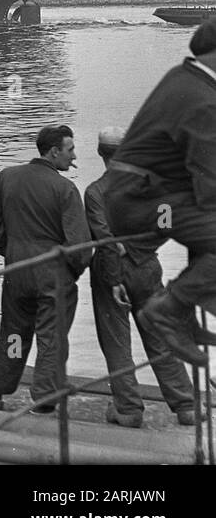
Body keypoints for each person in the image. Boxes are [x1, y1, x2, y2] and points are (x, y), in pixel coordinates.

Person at [103, 19, 216, 367]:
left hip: (139, 193)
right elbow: (208, 170)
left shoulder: (183, 78)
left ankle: (183, 315)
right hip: (144, 199)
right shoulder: (203, 99)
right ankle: (168, 310)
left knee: (207, 230)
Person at [88, 127, 200, 426]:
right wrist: (142, 249)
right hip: (148, 268)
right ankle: (186, 405)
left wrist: (114, 277)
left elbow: (103, 238)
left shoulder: (95, 192)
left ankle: (128, 409)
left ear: (101, 153)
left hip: (110, 271)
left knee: (117, 342)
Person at [0, 125, 91, 412]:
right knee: (51, 336)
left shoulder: (5, 178)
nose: (74, 156)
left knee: (14, 332)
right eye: (70, 150)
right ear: (54, 152)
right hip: (53, 275)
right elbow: (79, 246)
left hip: (17, 272)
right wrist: (71, 272)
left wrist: (14, 252)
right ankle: (44, 396)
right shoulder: (65, 189)